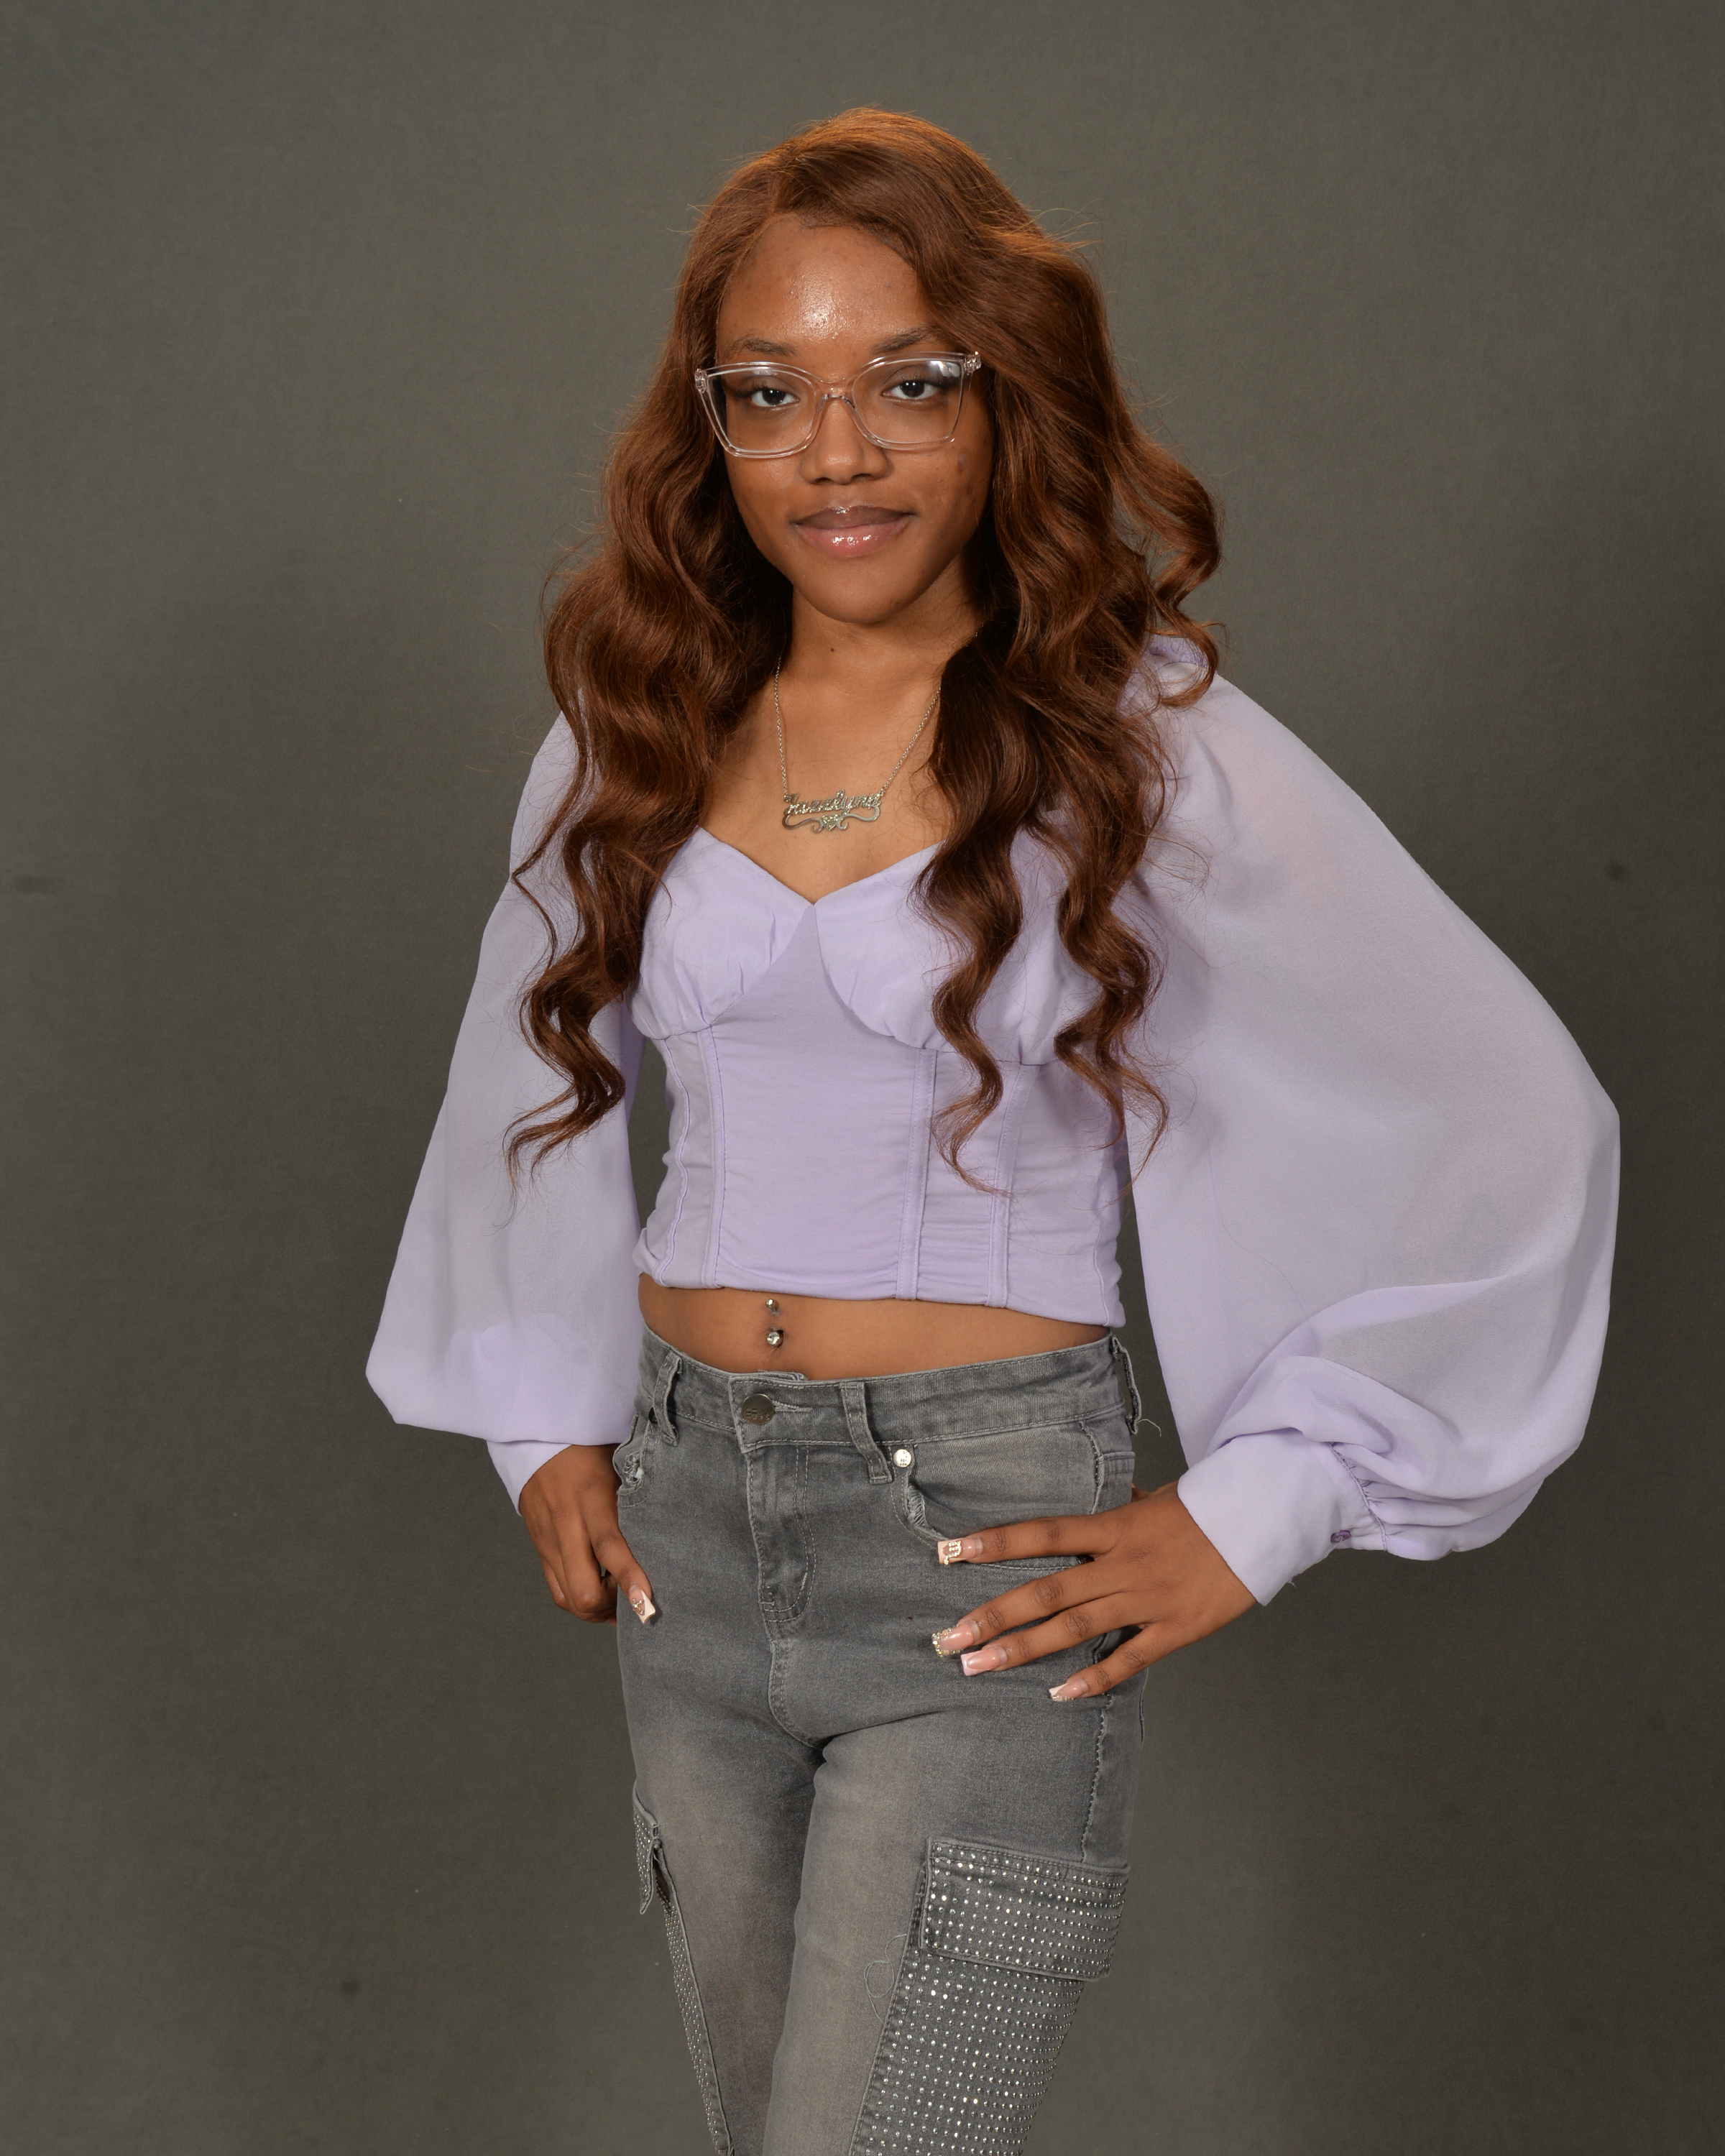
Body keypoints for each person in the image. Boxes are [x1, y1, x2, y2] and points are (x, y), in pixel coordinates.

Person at [367, 109, 1618, 2156]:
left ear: (1001, 397)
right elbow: (522, 1075)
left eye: (908, 382)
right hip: (688, 1544)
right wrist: (539, 1426)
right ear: (711, 425)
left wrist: (1263, 1508)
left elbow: (1513, 1111)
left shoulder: (1133, 736)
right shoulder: (637, 720)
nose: (837, 452)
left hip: (979, 1541)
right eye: (771, 393)